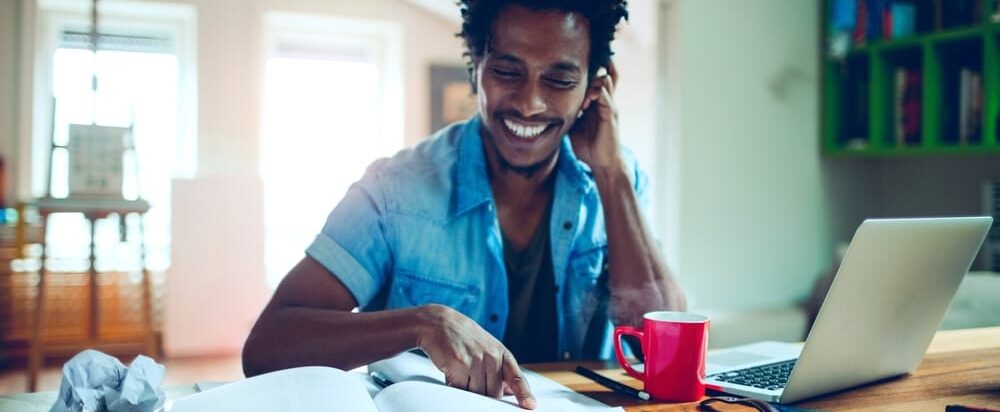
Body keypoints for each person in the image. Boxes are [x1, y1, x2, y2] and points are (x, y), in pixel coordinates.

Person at [242, 0, 686, 409]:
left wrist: (612, 175)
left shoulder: (617, 178)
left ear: (596, 85)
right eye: (508, 72)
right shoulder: (392, 189)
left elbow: (666, 349)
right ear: (475, 67)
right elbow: (267, 346)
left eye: (559, 80)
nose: (530, 104)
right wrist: (423, 322)